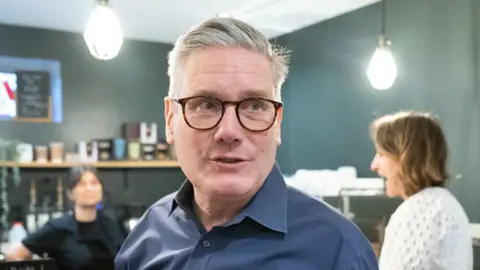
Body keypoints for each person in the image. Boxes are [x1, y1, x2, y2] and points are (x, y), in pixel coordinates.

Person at [114, 17, 378, 270]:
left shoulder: (338, 252)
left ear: (277, 122)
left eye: (254, 105)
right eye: (206, 104)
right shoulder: (147, 236)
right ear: (171, 119)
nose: (229, 131)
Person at [369, 111, 473, 270]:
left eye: (381, 154)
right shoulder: (441, 204)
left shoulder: (420, 211)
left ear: (407, 157)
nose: (374, 165)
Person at [4, 165, 125, 270]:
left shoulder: (113, 226)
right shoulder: (58, 228)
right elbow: (15, 254)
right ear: (70, 193)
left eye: (94, 183)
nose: (89, 188)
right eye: (82, 184)